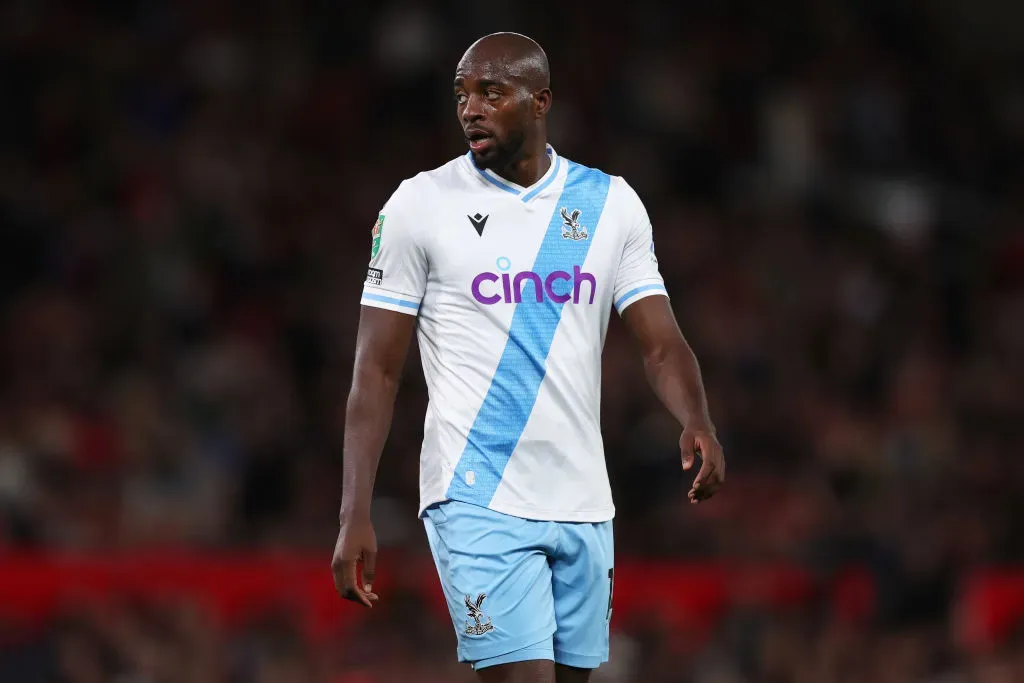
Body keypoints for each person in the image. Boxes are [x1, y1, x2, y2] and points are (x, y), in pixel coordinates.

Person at [331, 32, 725, 683]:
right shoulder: (420, 206)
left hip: (582, 498)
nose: (471, 108)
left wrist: (697, 418)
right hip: (474, 492)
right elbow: (375, 369)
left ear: (540, 100)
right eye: (462, 93)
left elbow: (660, 341)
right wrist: (355, 510)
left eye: (492, 91)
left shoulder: (608, 204)